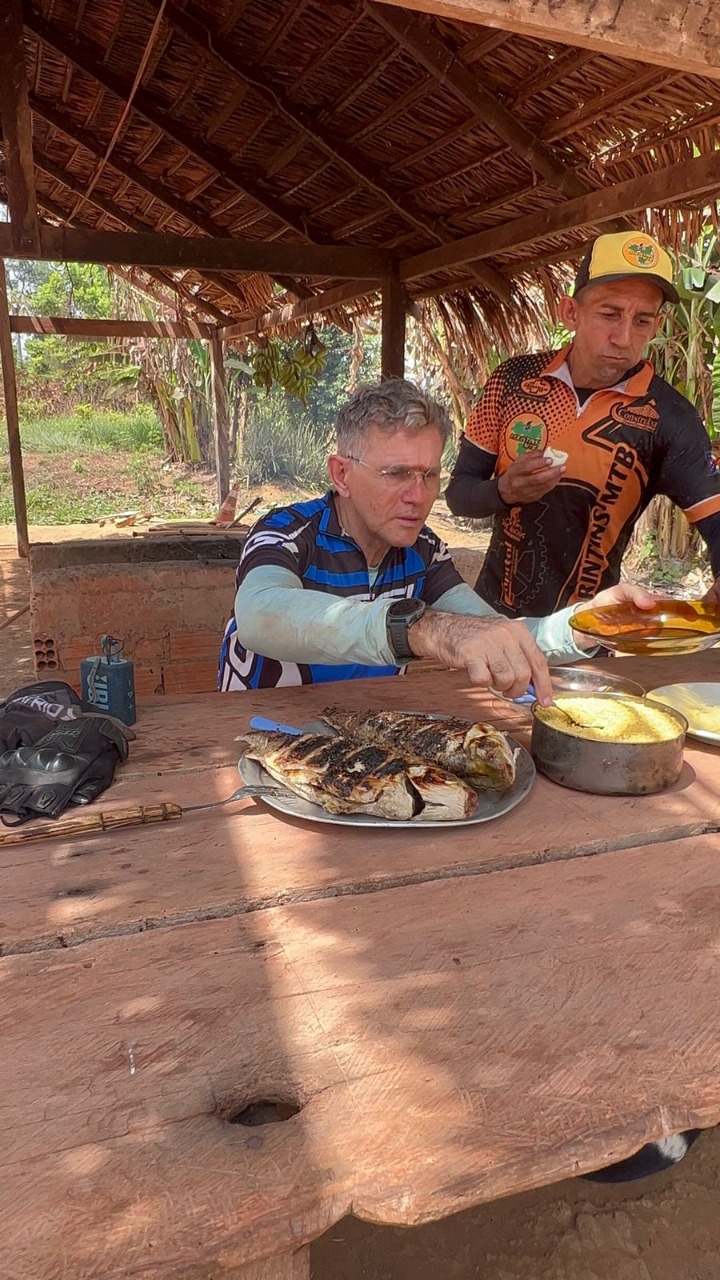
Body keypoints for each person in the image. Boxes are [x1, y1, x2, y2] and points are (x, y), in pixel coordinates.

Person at [219, 379, 654, 701]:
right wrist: (421, 627)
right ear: (342, 475)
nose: (417, 495)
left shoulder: (422, 550)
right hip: (262, 735)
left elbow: (495, 633)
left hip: (363, 737)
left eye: (428, 475)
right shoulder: (287, 532)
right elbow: (261, 616)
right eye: (396, 474)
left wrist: (587, 623)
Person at [445, 230, 720, 617]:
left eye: (642, 321)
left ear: (655, 327)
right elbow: (458, 495)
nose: (624, 337)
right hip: (490, 624)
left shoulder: (669, 418)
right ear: (570, 312)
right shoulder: (512, 381)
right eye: (609, 314)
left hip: (588, 634)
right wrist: (504, 491)